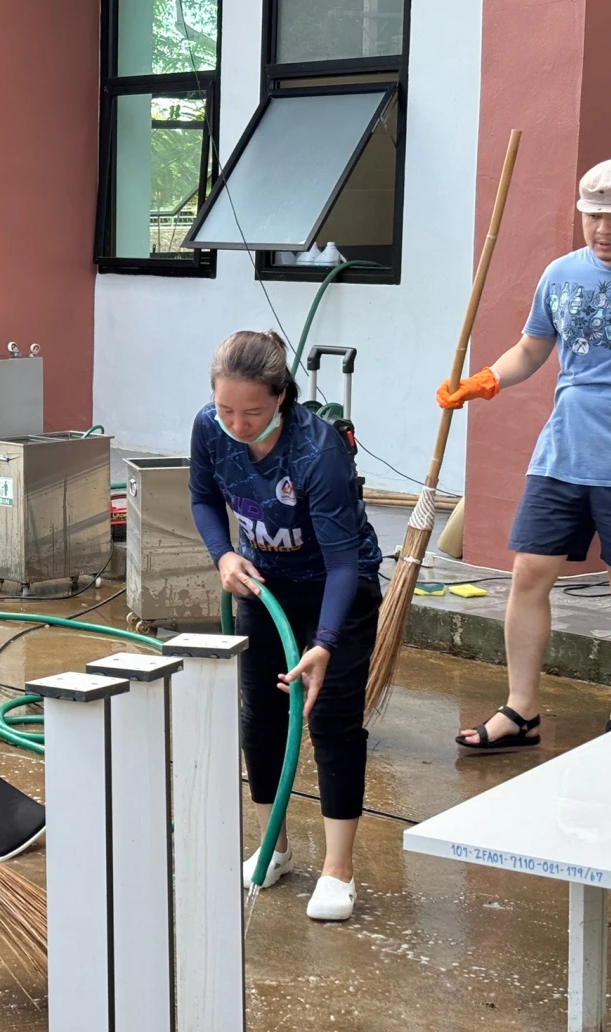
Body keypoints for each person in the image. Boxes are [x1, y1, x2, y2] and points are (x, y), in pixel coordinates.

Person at [441, 157, 611, 752]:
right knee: (529, 574)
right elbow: (532, 349)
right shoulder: (562, 274)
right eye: (591, 217)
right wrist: (483, 380)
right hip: (562, 453)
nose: (601, 230)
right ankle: (520, 711)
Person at [189, 330, 383, 922]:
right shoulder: (209, 428)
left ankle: (338, 869)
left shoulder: (315, 452)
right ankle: (274, 845)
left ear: (281, 397)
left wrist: (324, 643)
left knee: (330, 720)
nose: (238, 423)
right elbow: (201, 498)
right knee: (263, 713)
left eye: (253, 410)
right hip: (263, 583)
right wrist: (224, 553)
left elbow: (344, 562)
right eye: (226, 408)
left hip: (337, 591)